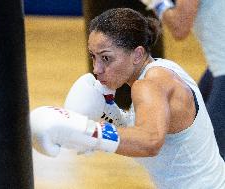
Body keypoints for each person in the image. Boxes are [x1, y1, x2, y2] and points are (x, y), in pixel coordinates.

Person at [31, 8, 225, 188]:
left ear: (137, 54)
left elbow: (150, 142)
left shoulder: (149, 86)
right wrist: (111, 118)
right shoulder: (161, 69)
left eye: (106, 58)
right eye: (93, 56)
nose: (97, 69)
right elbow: (148, 141)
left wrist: (87, 131)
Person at [139, 0, 225, 159]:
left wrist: (158, 3)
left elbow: (179, 27)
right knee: (197, 125)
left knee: (212, 151)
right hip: (217, 67)